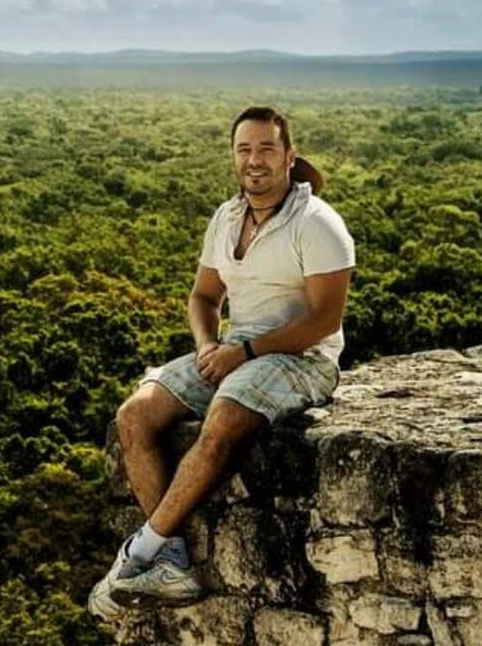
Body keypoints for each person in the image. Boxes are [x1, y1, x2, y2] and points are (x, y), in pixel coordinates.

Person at [87, 106, 356, 620]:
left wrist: (245, 352)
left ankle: (137, 554)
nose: (254, 160)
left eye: (266, 149)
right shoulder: (226, 217)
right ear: (234, 156)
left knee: (223, 420)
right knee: (135, 415)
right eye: (244, 149)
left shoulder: (318, 223)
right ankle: (171, 562)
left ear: (289, 156)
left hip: (301, 358)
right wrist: (210, 344)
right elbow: (203, 296)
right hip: (235, 350)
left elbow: (323, 320)